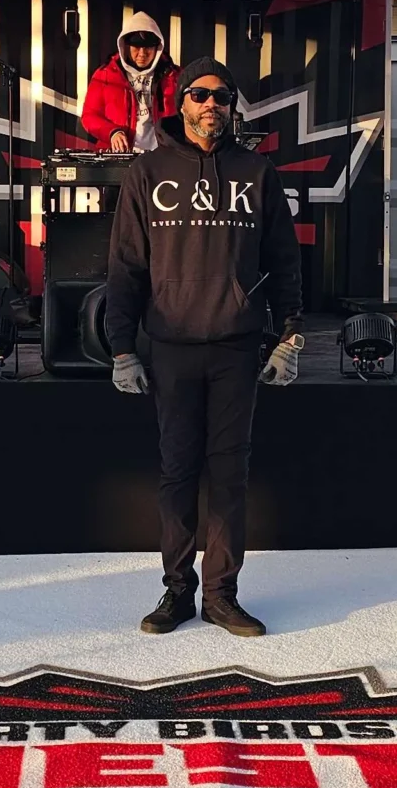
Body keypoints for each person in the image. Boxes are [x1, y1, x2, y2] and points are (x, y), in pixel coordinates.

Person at [104, 56, 304, 638]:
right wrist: (121, 348)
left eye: (222, 94)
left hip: (237, 347)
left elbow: (285, 262)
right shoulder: (147, 172)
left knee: (229, 475)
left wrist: (290, 336)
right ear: (181, 102)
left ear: (232, 105)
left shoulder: (257, 172)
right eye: (199, 94)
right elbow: (125, 267)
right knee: (177, 473)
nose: (211, 103)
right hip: (171, 346)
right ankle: (177, 592)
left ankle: (221, 596)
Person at [80, 11, 178, 152]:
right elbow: (89, 116)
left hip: (163, 156)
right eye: (136, 47)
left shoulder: (174, 76)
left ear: (158, 48)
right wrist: (112, 132)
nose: (142, 53)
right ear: (125, 46)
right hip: (119, 156)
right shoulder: (104, 75)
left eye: (148, 47)